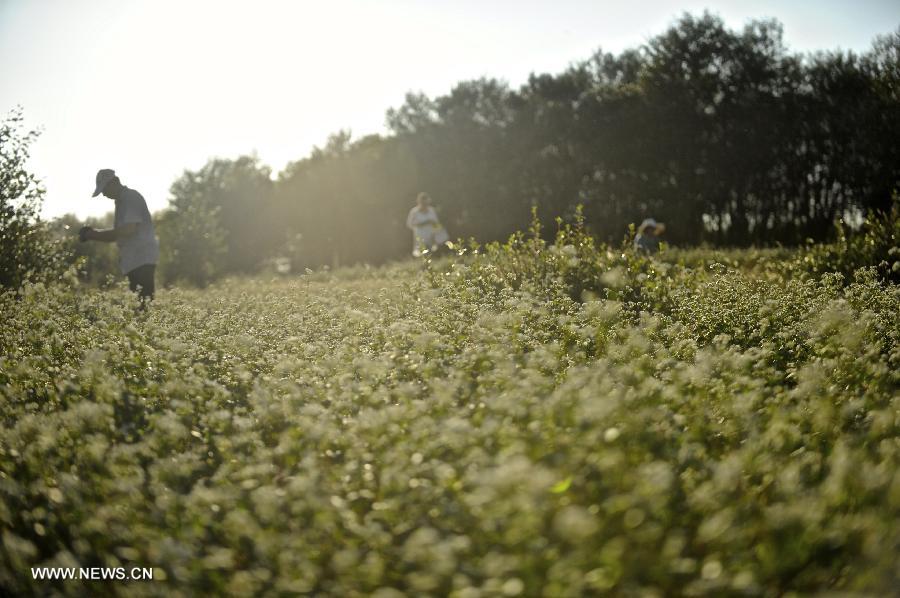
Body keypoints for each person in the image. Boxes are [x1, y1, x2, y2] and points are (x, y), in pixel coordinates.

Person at [79, 169, 159, 303]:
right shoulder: (122, 201)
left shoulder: (130, 198)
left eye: (104, 189)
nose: (103, 194)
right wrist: (92, 235)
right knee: (139, 304)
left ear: (113, 183)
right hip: (134, 260)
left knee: (144, 304)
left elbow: (128, 229)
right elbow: (118, 234)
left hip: (142, 259)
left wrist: (92, 234)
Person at [406, 192, 448, 257]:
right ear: (419, 202)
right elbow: (409, 224)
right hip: (420, 236)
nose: (424, 204)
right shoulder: (414, 212)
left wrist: (437, 232)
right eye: (422, 202)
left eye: (426, 202)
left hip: (430, 235)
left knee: (430, 253)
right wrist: (423, 223)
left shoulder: (432, 210)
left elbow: (436, 223)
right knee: (422, 253)